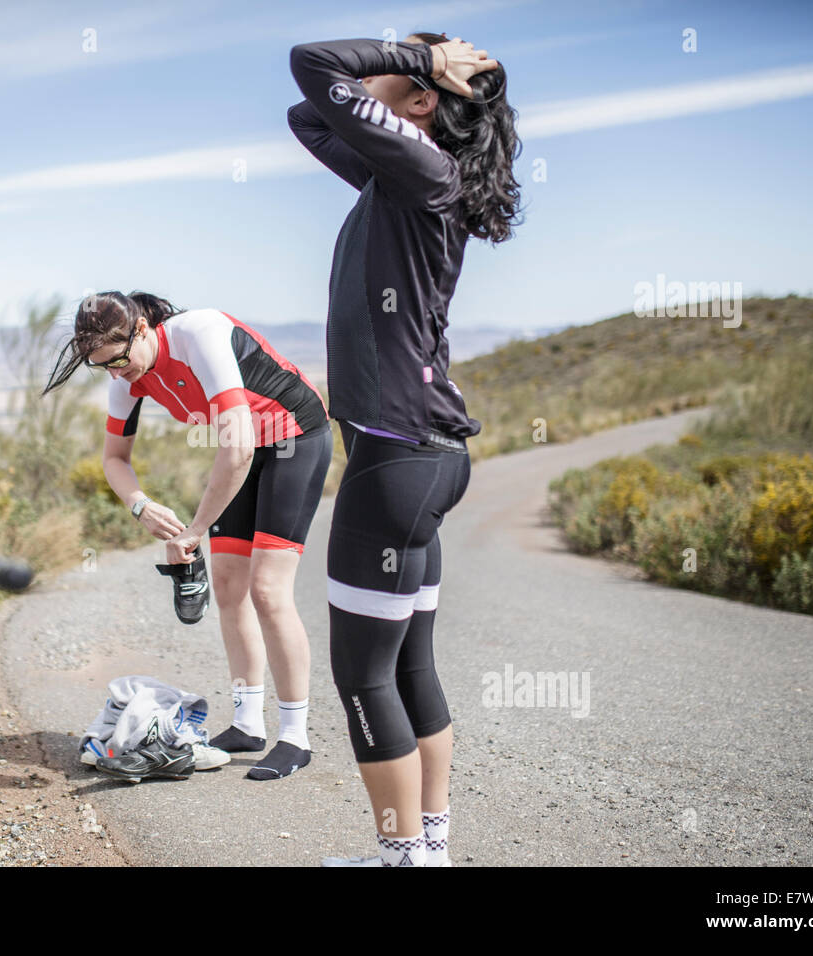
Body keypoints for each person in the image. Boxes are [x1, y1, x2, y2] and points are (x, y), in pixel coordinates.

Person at [287, 33, 521, 864]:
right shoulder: (408, 175)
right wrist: (412, 81)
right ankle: (428, 851)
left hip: (397, 460)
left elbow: (310, 63)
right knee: (410, 669)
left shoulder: (420, 173)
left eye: (414, 71)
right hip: (422, 459)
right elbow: (309, 112)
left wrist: (418, 64)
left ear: (424, 100)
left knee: (364, 679)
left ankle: (401, 859)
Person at [43, 292, 332, 779]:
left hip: (292, 436)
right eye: (102, 368)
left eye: (117, 361)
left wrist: (194, 531)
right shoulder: (127, 376)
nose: (116, 373)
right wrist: (141, 506)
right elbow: (114, 459)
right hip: (243, 448)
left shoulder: (199, 333)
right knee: (227, 586)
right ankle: (246, 723)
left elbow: (238, 446)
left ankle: (295, 736)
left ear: (140, 330)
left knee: (267, 590)